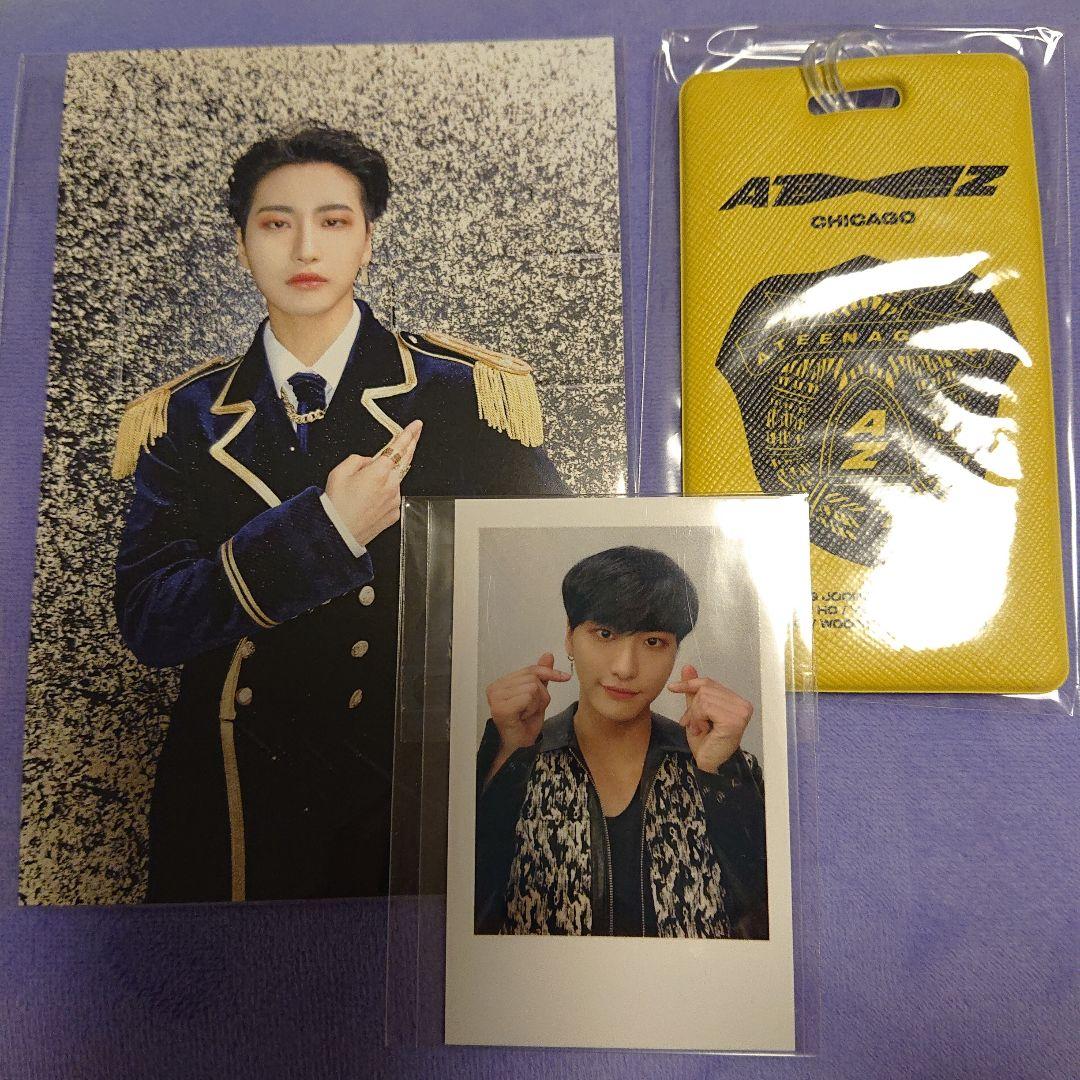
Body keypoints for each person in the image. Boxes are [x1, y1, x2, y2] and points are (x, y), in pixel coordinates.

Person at [113, 124, 567, 903]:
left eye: (333, 221)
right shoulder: (185, 415)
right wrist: (324, 532)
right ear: (241, 246)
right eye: (275, 223)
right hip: (235, 794)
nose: (304, 249)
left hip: (406, 777)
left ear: (367, 241)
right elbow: (150, 621)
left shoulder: (462, 394)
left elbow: (556, 571)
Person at [475, 546, 767, 937]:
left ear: (676, 651)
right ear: (569, 637)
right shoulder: (510, 757)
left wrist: (719, 772)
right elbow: (465, 912)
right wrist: (511, 753)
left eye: (653, 642)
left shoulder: (728, 767)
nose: (625, 668)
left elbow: (765, 916)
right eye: (605, 634)